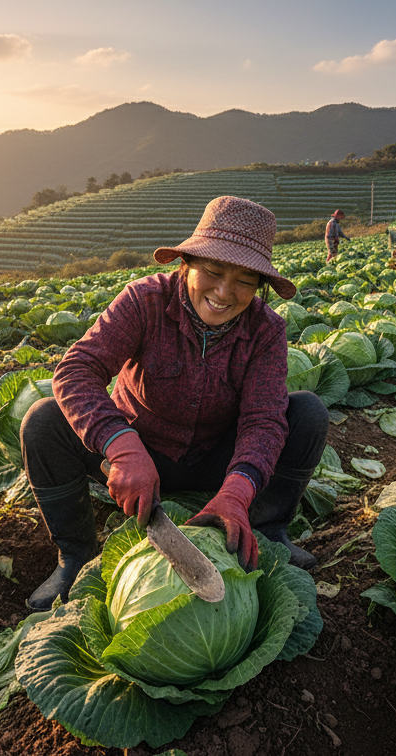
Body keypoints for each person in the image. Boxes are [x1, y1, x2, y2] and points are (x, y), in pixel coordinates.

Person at [20, 195, 329, 612]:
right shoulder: (143, 301)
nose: (224, 292)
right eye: (214, 272)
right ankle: (75, 556)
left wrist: (237, 492)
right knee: (43, 421)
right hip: (140, 455)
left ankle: (268, 529)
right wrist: (122, 447)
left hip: (216, 458)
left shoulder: (266, 330)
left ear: (259, 286)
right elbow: (77, 370)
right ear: (186, 265)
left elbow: (263, 420)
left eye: (244, 281)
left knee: (306, 413)